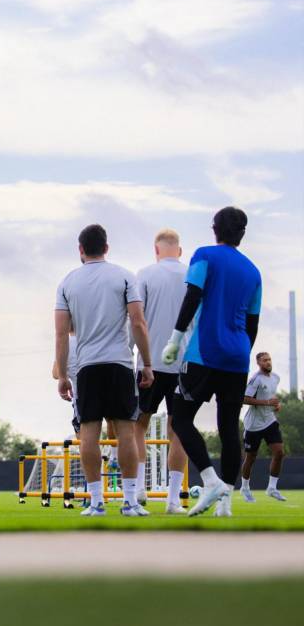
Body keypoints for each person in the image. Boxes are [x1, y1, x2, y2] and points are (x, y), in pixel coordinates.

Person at [163, 207, 262, 517]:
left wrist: (175, 339)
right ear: (242, 234)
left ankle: (210, 480)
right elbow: (252, 323)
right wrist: (243, 354)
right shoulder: (253, 272)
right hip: (238, 356)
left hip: (205, 353)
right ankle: (226, 503)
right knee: (228, 429)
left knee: (179, 417)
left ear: (214, 229)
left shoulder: (204, 254)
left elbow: (193, 296)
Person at [55, 224, 154, 517]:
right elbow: (138, 322)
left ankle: (97, 502)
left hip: (87, 367)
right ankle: (130, 502)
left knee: (89, 433)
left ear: (80, 250)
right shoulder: (124, 276)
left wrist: (62, 375)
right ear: (106, 248)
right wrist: (147, 364)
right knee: (126, 432)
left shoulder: (67, 282)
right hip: (120, 365)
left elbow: (61, 335)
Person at [133, 229, 189, 514]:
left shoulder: (143, 274)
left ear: (156, 250)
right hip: (184, 365)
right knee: (178, 431)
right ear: (179, 250)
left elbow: (136, 319)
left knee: (137, 426)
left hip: (149, 362)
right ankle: (172, 500)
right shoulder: (192, 274)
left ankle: (139, 488)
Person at [240, 352, 286, 502]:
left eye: (269, 360)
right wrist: (266, 403)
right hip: (253, 425)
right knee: (251, 458)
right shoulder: (255, 379)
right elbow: (245, 399)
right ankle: (245, 487)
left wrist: (276, 405)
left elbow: (271, 397)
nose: (268, 362)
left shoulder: (276, 377)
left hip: (269, 421)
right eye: (265, 360)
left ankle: (272, 488)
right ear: (258, 363)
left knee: (279, 453)